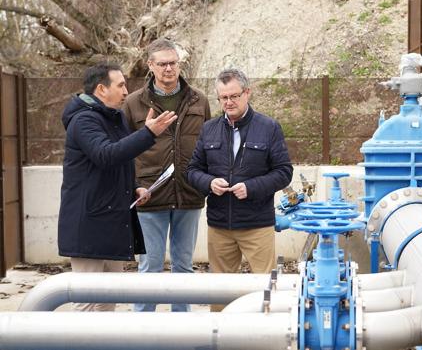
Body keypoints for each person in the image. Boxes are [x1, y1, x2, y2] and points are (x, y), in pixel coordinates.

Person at [58, 62, 177, 312]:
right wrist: (148, 133)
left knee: (108, 302)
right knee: (88, 303)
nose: (126, 91)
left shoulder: (115, 118)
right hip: (89, 227)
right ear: (101, 89)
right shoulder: (83, 121)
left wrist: (134, 187)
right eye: (121, 85)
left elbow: (118, 163)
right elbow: (106, 155)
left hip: (111, 222)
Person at [122, 39, 211, 312]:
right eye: (162, 64)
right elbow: (123, 150)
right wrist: (136, 186)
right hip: (150, 195)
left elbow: (209, 145)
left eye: (173, 63)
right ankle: (142, 330)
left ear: (179, 64)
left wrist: (204, 182)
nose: (169, 69)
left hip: (188, 194)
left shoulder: (199, 99)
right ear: (151, 66)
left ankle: (180, 328)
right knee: (150, 266)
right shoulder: (133, 103)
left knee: (184, 266)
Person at [187, 68, 293, 275]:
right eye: (223, 97)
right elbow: (192, 170)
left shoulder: (269, 127)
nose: (229, 102)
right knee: (220, 292)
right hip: (219, 227)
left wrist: (251, 187)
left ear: (247, 93)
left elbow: (283, 172)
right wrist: (209, 183)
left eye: (234, 96)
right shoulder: (209, 129)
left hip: (257, 226)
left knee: (265, 288)